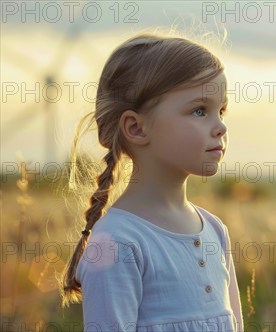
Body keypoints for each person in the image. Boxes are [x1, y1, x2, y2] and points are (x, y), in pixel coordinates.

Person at [59, 33, 243, 331]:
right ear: (136, 127)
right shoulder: (117, 243)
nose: (221, 126)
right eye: (200, 110)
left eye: (221, 111)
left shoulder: (215, 232)